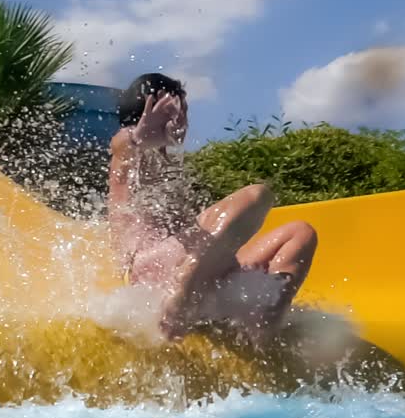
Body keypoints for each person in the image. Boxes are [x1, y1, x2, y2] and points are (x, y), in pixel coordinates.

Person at [106, 73, 319, 342]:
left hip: (194, 272)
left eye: (184, 113)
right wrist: (138, 136)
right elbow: (121, 145)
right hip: (152, 273)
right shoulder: (128, 149)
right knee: (257, 195)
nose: (181, 121)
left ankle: (266, 321)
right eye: (172, 112)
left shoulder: (170, 162)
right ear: (146, 110)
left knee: (300, 232)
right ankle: (182, 294)